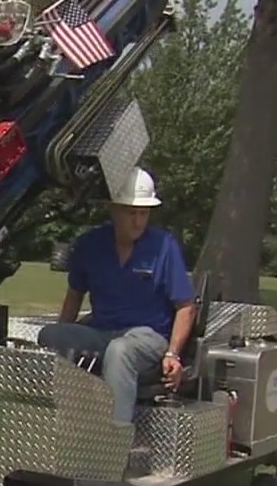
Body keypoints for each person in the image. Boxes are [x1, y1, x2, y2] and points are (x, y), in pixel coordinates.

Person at [37, 167, 197, 426]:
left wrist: (173, 355)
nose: (138, 221)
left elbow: (186, 306)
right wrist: (63, 327)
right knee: (50, 335)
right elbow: (74, 294)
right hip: (101, 331)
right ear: (113, 209)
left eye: (143, 213)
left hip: (148, 336)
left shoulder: (163, 246)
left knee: (120, 351)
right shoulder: (90, 244)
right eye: (131, 213)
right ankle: (60, 424)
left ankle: (115, 439)